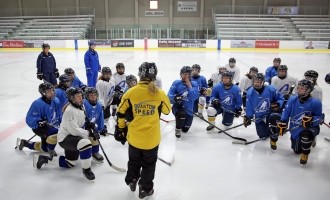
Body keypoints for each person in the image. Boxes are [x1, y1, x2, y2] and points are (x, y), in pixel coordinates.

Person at [114, 62, 171, 199]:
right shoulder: (160, 93)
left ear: (140, 74)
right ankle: (145, 188)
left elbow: (120, 113)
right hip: (151, 139)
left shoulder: (131, 92)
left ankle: (132, 181)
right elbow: (167, 111)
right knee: (149, 165)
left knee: (134, 161)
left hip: (134, 138)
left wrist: (121, 128)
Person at [34, 87, 100, 181]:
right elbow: (74, 130)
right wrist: (89, 132)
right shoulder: (69, 111)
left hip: (74, 137)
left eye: (81, 96)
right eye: (78, 97)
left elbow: (82, 120)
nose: (81, 98)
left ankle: (44, 159)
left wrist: (91, 125)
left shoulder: (81, 106)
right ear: (72, 98)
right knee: (85, 143)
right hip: (66, 138)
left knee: (70, 163)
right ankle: (87, 170)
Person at [273, 79, 323, 164]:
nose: (299, 89)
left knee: (306, 136)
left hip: (309, 128)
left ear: (309, 90)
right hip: (295, 128)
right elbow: (286, 112)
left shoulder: (316, 103)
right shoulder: (292, 99)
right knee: (296, 151)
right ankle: (305, 143)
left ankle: (306, 152)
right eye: (298, 87)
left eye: (302, 88)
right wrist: (283, 122)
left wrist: (311, 120)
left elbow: (320, 118)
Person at [17, 82, 61, 160]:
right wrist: (38, 121)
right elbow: (29, 118)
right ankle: (51, 150)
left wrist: (60, 122)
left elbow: (59, 114)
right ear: (43, 93)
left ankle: (25, 143)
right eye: (49, 91)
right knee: (54, 131)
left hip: (49, 125)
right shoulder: (37, 103)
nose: (52, 92)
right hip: (39, 128)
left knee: (44, 148)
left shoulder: (56, 100)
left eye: (52, 90)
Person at [243, 73, 284, 139]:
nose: (258, 84)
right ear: (253, 82)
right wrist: (248, 117)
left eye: (260, 82)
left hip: (271, 113)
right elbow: (249, 107)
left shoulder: (271, 89)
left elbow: (281, 98)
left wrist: (278, 103)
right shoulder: (250, 93)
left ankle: (274, 128)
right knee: (263, 136)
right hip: (259, 117)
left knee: (274, 121)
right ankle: (268, 130)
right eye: (256, 82)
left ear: (263, 82)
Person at [167, 66, 199, 138]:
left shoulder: (194, 84)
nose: (185, 76)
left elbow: (195, 97)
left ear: (190, 75)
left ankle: (181, 123)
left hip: (189, 110)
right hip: (178, 108)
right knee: (181, 115)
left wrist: (189, 85)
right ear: (180, 74)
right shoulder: (176, 83)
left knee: (185, 129)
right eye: (183, 74)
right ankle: (177, 129)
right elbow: (169, 95)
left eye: (187, 74)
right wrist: (175, 98)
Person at [83, 87, 105, 162]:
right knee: (84, 140)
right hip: (82, 127)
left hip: (92, 126)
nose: (93, 96)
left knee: (95, 136)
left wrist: (101, 128)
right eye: (91, 95)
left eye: (94, 95)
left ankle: (95, 152)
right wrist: (86, 126)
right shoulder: (83, 104)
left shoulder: (99, 106)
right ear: (87, 96)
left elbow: (100, 118)